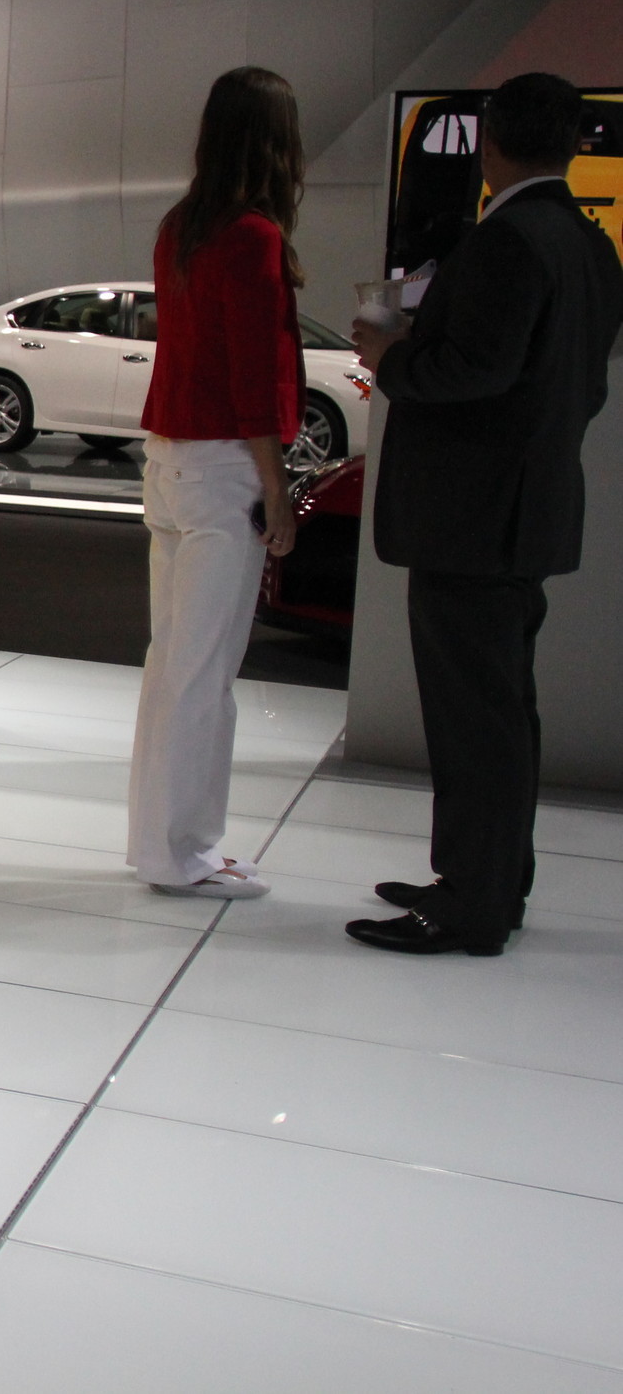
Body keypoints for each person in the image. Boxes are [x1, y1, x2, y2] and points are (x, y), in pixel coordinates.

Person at [347, 72, 623, 955]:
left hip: (474, 518)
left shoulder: (511, 242)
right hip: (525, 510)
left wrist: (392, 355)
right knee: (501, 712)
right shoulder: (588, 244)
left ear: (491, 145)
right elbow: (576, 384)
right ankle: (491, 880)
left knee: (476, 717)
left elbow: (473, 371)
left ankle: (470, 902)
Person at [126, 67, 309, 901]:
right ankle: (183, 853)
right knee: (203, 672)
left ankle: (160, 844)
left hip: (168, 459)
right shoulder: (253, 237)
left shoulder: (182, 227)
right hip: (221, 465)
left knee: (174, 665)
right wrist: (276, 490)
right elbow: (250, 380)